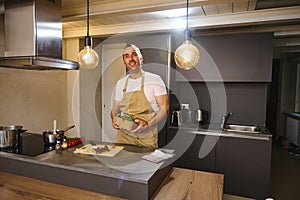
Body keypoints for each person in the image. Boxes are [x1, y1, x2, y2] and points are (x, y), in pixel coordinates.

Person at [110, 44, 169, 149]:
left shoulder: (155, 80)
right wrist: (113, 119)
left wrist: (148, 125)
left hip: (147, 137)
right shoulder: (121, 83)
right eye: (126, 56)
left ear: (141, 58)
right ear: (124, 61)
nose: (131, 59)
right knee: (121, 163)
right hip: (124, 137)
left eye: (134, 54)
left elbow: (165, 108)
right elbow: (115, 109)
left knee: (146, 164)